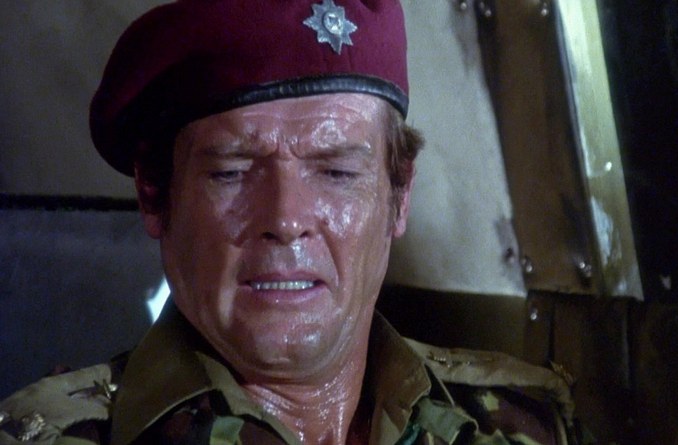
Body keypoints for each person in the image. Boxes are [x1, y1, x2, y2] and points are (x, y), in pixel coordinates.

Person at [0, 1, 584, 444]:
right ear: (155, 196)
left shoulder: (526, 422)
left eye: (336, 172)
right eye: (232, 172)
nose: (286, 220)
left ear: (399, 196)